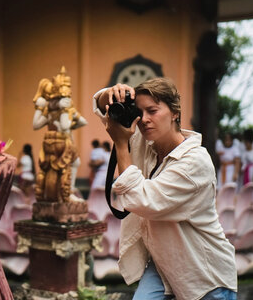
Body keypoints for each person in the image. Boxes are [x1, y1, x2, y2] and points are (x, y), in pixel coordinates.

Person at [93, 78, 237, 300]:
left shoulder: (195, 162)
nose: (145, 120)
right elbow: (102, 108)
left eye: (153, 110)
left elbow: (141, 200)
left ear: (175, 113)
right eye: (140, 112)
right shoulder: (146, 141)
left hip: (204, 274)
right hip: (163, 264)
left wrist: (121, 145)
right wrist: (112, 93)